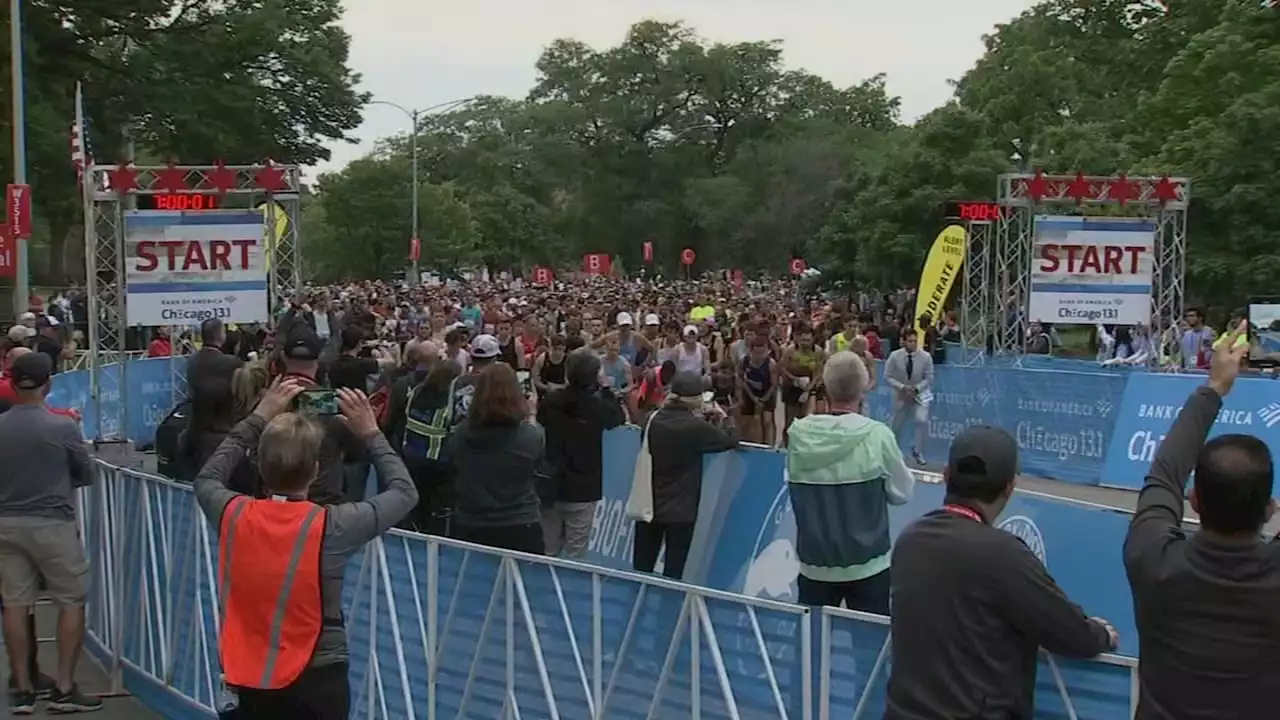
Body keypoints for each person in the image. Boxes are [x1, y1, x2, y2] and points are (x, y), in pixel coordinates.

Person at [193, 381, 417, 720]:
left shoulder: (231, 513)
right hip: (318, 672)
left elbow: (208, 477)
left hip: (250, 673)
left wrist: (257, 418)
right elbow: (404, 492)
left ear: (260, 468)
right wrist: (371, 434)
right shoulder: (335, 525)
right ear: (315, 471)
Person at [885, 424, 1117, 720]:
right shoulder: (1004, 555)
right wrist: (1101, 635)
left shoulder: (909, 539)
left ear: (945, 476)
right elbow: (1067, 631)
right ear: (1010, 488)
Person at [1123, 320, 1280, 719]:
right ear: (1269, 510)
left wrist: (1214, 387)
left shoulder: (1153, 559)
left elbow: (1164, 474)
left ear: (1194, 501)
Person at [0, 353, 100, 713]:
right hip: (53, 522)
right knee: (70, 599)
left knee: (15, 603)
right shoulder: (63, 427)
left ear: (12, 384)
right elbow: (85, 474)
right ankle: (64, 685)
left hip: (6, 524)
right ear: (49, 384)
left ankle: (23, 688)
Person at [786, 351, 913, 613]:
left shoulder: (798, 435)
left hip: (815, 566)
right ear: (864, 388)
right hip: (869, 565)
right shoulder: (877, 435)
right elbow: (903, 492)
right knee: (868, 650)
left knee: (812, 649)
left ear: (826, 386)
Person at [632, 371, 739, 580]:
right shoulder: (695, 427)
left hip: (649, 504)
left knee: (641, 570)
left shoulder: (651, 420)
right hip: (681, 509)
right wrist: (727, 418)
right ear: (698, 398)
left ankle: (635, 609)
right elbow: (729, 440)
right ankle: (668, 611)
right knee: (674, 573)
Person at [442, 363, 545, 553]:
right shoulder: (530, 436)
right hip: (521, 524)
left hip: (471, 522)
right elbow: (537, 460)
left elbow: (452, 465)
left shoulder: (461, 434)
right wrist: (532, 414)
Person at [538, 350, 627, 558]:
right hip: (583, 485)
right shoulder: (597, 406)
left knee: (547, 550)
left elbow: (542, 418)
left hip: (551, 482)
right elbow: (617, 418)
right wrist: (606, 390)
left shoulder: (552, 400)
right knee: (576, 554)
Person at [270, 324, 364, 504]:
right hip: (322, 503)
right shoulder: (325, 401)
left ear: (283, 356)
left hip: (276, 501)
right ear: (319, 358)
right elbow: (356, 451)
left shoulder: (268, 397)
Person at [395, 360, 463, 533]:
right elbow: (455, 430)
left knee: (416, 501)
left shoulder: (416, 392)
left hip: (411, 454)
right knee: (436, 506)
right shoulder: (448, 403)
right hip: (437, 459)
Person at [884, 328, 933, 465]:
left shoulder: (926, 357)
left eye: (915, 341)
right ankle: (895, 452)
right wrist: (902, 387)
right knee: (896, 426)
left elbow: (929, 378)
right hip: (901, 394)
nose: (913, 344)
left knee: (921, 420)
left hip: (920, 393)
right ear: (903, 341)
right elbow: (887, 377)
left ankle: (917, 451)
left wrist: (916, 388)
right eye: (910, 341)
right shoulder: (894, 356)